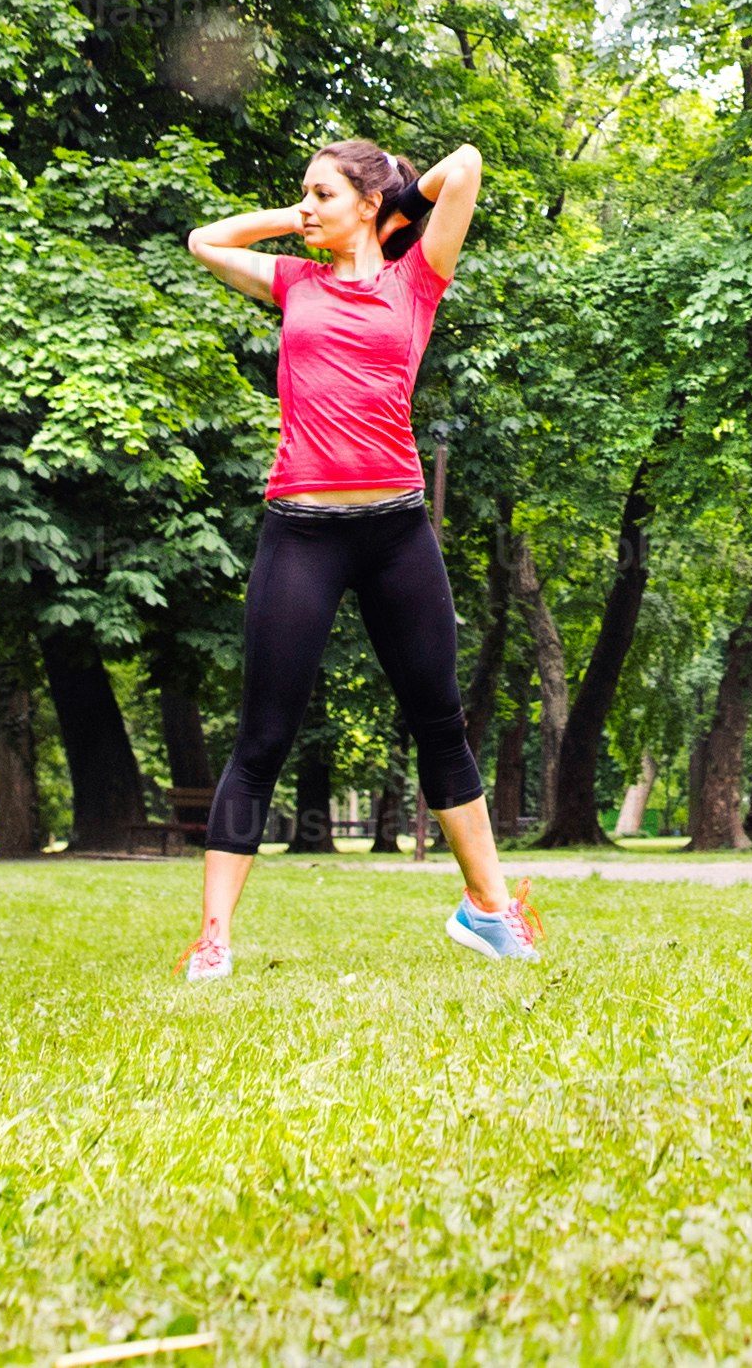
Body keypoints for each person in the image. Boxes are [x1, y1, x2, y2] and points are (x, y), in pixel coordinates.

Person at [172, 136, 539, 979]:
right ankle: (215, 936)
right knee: (263, 734)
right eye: (302, 194)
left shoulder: (418, 278)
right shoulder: (293, 280)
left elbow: (471, 162)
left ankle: (488, 909)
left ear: (369, 205)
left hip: (396, 531)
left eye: (321, 193)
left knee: (439, 723)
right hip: (301, 531)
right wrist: (302, 216)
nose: (305, 207)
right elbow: (205, 242)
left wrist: (396, 204)